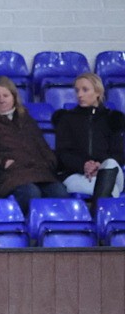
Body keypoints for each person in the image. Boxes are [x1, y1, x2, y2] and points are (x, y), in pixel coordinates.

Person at [0, 76, 66, 215]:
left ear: (14, 97)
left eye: (5, 95)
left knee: (60, 193)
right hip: (7, 176)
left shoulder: (26, 119)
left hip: (38, 173)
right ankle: (25, 229)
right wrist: (1, 163)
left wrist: (49, 163)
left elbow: (43, 147)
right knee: (31, 193)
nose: (1, 100)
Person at [52, 72, 125, 213]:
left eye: (85, 90)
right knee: (109, 189)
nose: (79, 95)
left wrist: (99, 165)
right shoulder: (67, 119)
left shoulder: (112, 119)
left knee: (109, 166)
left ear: (98, 92)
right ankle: (99, 216)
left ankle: (95, 214)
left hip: (109, 172)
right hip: (77, 175)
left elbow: (119, 154)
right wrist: (84, 165)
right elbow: (63, 154)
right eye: (77, 90)